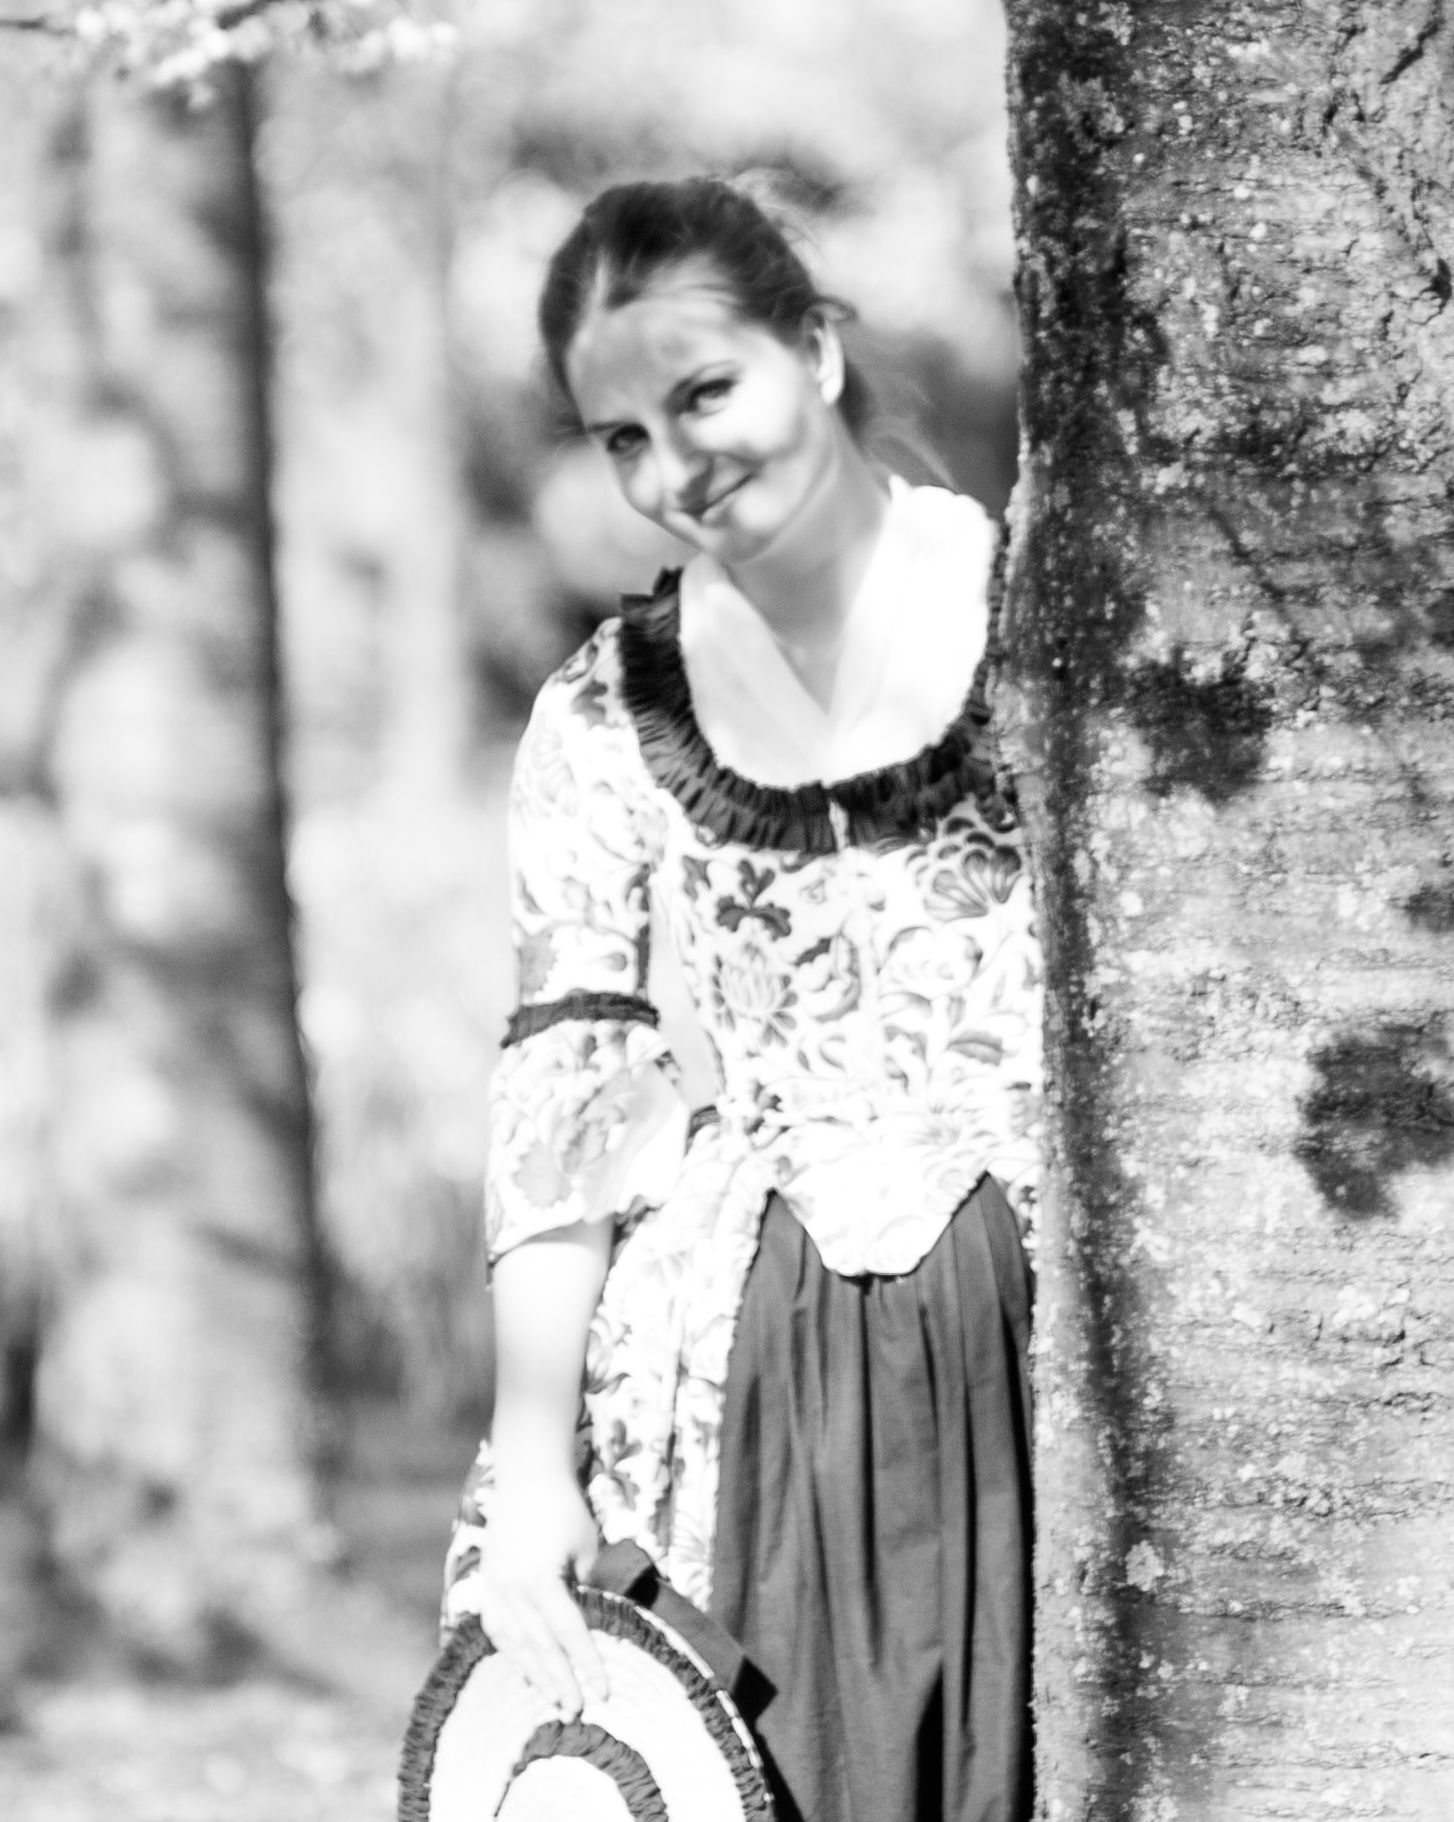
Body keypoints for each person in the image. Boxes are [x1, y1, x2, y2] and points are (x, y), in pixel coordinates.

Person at [439, 177, 1038, 1822]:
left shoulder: (1048, 620)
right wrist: (535, 1467)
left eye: (706, 393)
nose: (676, 467)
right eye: (623, 437)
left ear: (817, 354)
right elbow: (564, 1103)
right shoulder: (605, 712)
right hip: (753, 1360)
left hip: (1050, 1338)